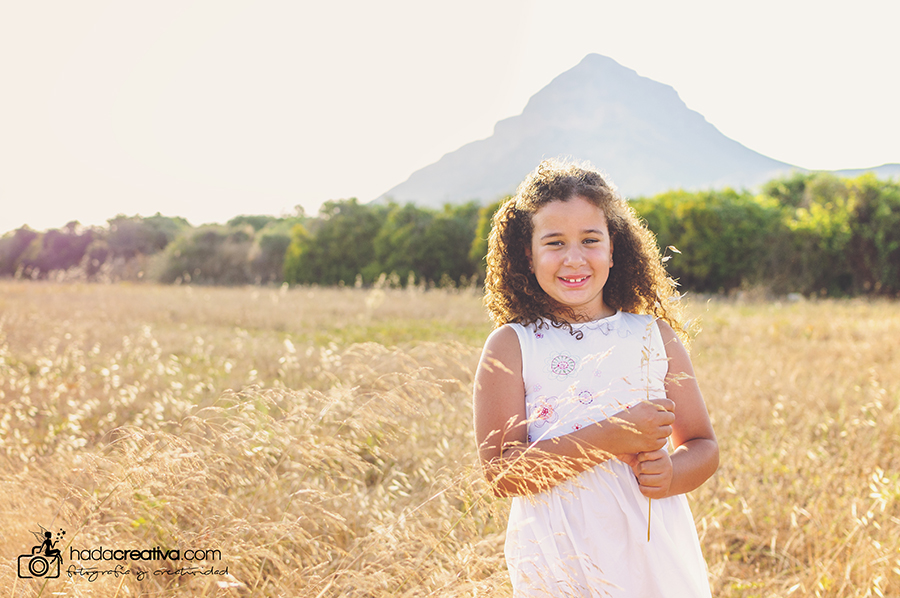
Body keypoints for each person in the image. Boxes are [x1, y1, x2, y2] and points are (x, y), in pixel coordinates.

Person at [473, 159, 718, 597]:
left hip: (653, 558)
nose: (574, 258)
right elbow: (501, 474)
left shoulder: (652, 336)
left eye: (590, 240)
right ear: (528, 254)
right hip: (558, 561)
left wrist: (671, 473)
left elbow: (703, 445)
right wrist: (611, 436)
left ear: (613, 248)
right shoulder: (512, 345)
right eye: (555, 243)